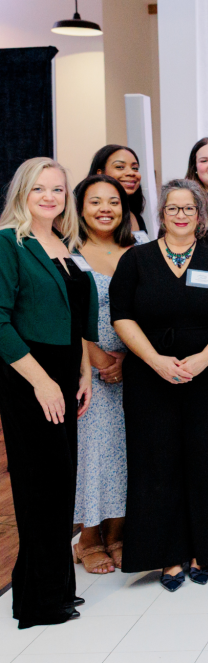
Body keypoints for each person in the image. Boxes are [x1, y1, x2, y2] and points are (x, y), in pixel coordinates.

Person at [110, 178, 208, 592]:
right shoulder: (136, 259)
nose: (182, 215)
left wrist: (205, 357)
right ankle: (165, 554)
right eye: (174, 208)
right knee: (157, 463)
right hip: (151, 377)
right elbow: (121, 316)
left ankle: (203, 549)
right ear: (162, 214)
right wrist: (155, 360)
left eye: (190, 208)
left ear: (201, 215)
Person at [0, 157, 96, 628]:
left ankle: (59, 590)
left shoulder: (65, 243)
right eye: (40, 189)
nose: (50, 197)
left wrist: (83, 373)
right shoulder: (8, 243)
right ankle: (36, 602)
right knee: (38, 488)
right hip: (28, 376)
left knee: (61, 486)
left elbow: (76, 319)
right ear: (22, 192)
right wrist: (42, 382)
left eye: (58, 190)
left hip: (65, 369)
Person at [70, 175, 135, 575]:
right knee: (94, 454)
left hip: (133, 366)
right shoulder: (68, 252)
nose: (105, 209)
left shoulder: (139, 251)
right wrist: (95, 357)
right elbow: (65, 311)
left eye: (113, 201)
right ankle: (89, 538)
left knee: (127, 452)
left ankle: (119, 534)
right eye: (95, 202)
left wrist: (126, 358)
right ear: (80, 208)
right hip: (86, 371)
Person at [89, 145, 148, 236]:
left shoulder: (136, 217)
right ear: (100, 173)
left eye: (135, 168)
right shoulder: (86, 216)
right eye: (120, 167)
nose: (131, 173)